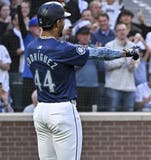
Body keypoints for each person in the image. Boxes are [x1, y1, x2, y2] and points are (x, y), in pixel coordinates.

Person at [29, 2, 138, 160]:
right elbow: (98, 53)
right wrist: (126, 52)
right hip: (62, 109)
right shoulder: (62, 48)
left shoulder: (31, 47)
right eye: (62, 20)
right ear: (58, 22)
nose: (64, 23)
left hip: (41, 110)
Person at [104, 23, 139, 112]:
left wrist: (132, 65)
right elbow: (107, 65)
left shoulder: (133, 47)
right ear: (115, 33)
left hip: (130, 87)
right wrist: (122, 59)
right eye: (119, 30)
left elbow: (135, 67)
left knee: (129, 118)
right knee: (111, 116)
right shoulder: (109, 46)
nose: (122, 32)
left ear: (127, 31)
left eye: (123, 30)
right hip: (113, 87)